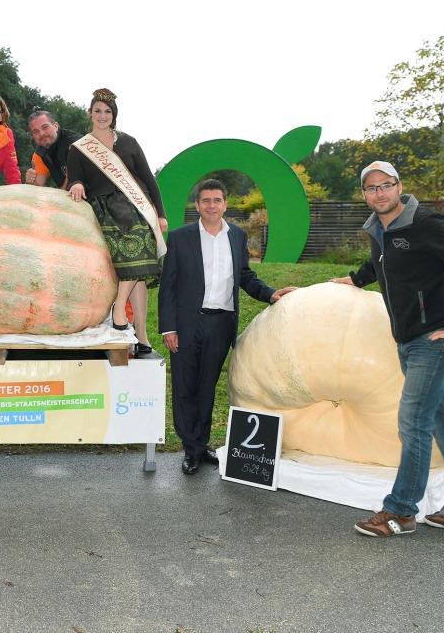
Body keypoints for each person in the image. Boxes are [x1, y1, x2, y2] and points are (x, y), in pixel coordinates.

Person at [332, 161, 444, 537]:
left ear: (399, 186)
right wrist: (355, 279)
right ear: (365, 194)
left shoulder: (427, 224)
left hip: (435, 339)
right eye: (371, 188)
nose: (379, 193)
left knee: (413, 422)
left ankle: (401, 512)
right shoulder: (378, 229)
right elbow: (382, 264)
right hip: (408, 339)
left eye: (385, 186)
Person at [158, 179, 295, 475]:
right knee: (185, 386)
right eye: (205, 201)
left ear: (225, 204)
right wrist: (168, 328)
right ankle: (190, 449)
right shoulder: (181, 238)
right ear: (197, 206)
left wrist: (270, 293)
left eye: (216, 200)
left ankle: (201, 443)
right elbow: (167, 285)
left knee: (207, 386)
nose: (211, 205)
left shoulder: (237, 236)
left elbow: (244, 275)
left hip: (221, 323)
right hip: (185, 323)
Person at [67, 88, 167, 356]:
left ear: (114, 116)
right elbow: (75, 177)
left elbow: (148, 178)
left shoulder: (129, 142)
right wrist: (76, 184)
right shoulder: (79, 148)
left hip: (138, 206)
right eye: (97, 111)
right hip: (108, 209)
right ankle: (123, 312)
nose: (102, 116)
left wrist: (160, 214)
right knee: (136, 267)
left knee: (139, 271)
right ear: (90, 113)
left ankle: (138, 333)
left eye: (107, 112)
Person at [24, 109, 81, 189]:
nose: (42, 134)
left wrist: (61, 195)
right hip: (72, 196)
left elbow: (73, 179)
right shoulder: (39, 154)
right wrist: (29, 182)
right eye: (35, 131)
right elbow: (37, 188)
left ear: (56, 126)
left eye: (45, 127)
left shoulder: (75, 143)